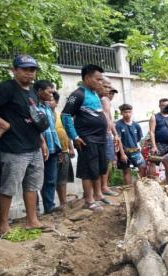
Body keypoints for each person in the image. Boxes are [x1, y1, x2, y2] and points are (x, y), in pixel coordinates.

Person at [0, 55, 53, 236]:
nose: (29, 73)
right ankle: (3, 225)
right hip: (14, 147)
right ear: (14, 70)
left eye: (32, 69)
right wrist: (4, 125)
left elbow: (35, 118)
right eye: (25, 69)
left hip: (33, 146)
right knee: (9, 187)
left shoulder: (33, 92)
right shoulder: (5, 88)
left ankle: (32, 220)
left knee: (33, 185)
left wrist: (42, 142)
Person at [61, 64, 108, 212]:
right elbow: (65, 115)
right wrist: (74, 136)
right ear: (87, 78)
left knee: (100, 168)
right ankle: (89, 200)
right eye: (98, 79)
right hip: (87, 139)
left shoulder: (94, 94)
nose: (101, 82)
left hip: (100, 138)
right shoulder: (78, 94)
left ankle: (99, 194)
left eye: (101, 80)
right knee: (88, 170)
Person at [35, 80, 62, 214]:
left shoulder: (48, 107)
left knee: (51, 180)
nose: (52, 94)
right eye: (49, 92)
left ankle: (49, 208)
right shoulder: (33, 106)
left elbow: (52, 129)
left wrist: (59, 148)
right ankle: (34, 211)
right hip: (38, 149)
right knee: (34, 181)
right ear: (39, 91)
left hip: (53, 148)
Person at [51, 92, 75, 210]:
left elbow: (66, 133)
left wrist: (71, 148)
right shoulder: (42, 115)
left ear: (56, 102)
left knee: (62, 179)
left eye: (52, 100)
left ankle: (63, 202)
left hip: (64, 151)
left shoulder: (60, 116)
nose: (49, 102)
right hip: (51, 153)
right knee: (50, 179)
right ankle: (48, 206)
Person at [98, 78, 120, 198]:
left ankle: (104, 186)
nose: (110, 94)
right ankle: (103, 187)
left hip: (107, 134)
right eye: (108, 90)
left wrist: (115, 134)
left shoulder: (106, 101)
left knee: (108, 161)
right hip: (102, 135)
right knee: (104, 161)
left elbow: (110, 119)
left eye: (112, 92)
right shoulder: (102, 99)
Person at [116, 104, 147, 185]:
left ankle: (138, 185)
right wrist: (122, 154)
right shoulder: (118, 125)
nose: (127, 114)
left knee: (143, 167)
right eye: (125, 112)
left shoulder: (136, 125)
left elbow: (138, 138)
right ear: (121, 113)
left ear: (132, 112)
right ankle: (129, 188)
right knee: (126, 171)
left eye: (129, 112)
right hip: (124, 151)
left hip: (135, 150)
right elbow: (118, 140)